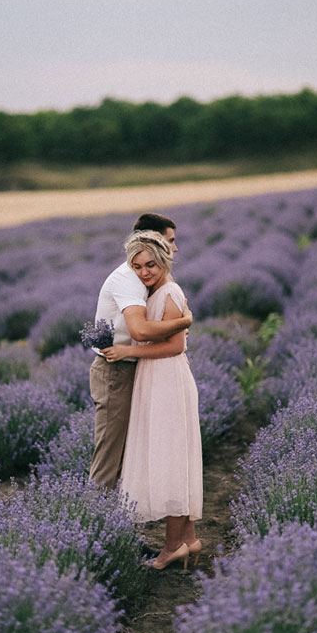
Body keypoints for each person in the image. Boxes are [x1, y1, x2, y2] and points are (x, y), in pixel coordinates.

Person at [103, 231, 203, 570]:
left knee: (170, 461)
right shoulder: (154, 293)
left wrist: (128, 350)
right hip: (156, 378)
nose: (144, 271)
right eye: (137, 266)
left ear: (164, 261)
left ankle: (173, 547)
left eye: (150, 264)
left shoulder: (170, 292)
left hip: (168, 380)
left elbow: (175, 346)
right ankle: (188, 540)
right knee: (172, 456)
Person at [88, 213, 191, 490]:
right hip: (115, 370)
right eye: (170, 241)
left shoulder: (145, 278)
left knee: (129, 452)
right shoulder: (129, 279)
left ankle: (115, 521)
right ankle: (93, 522)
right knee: (109, 456)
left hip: (133, 366)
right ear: (152, 240)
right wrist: (184, 321)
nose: (176, 247)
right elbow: (140, 331)